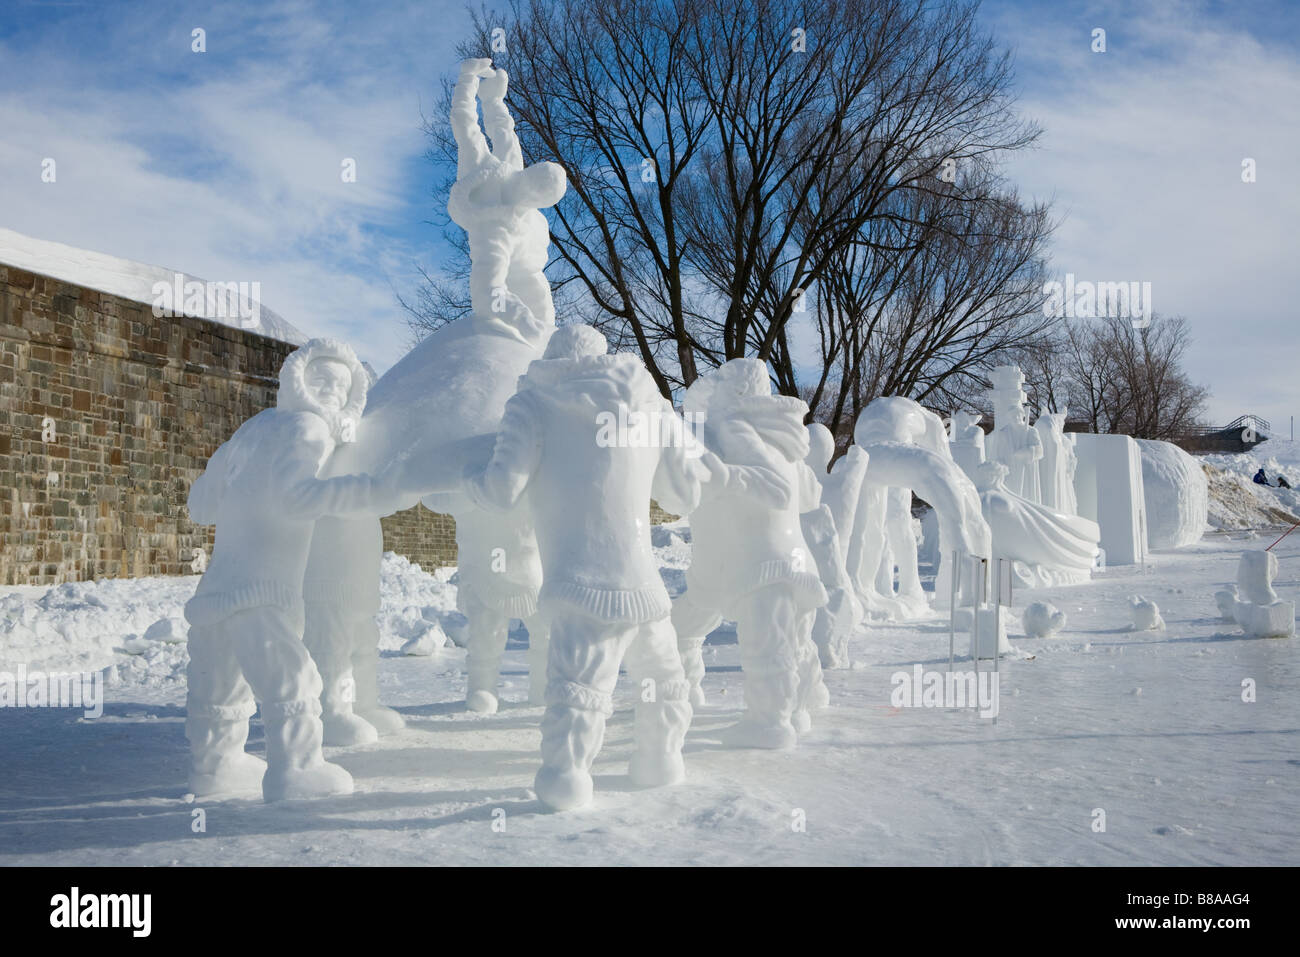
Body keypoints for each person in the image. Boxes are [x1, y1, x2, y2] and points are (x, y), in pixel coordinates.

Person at [464, 325, 711, 811]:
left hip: (582, 583)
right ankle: (659, 765)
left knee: (578, 693)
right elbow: (684, 496)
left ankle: (565, 784)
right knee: (662, 683)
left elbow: (500, 491)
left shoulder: (532, 404)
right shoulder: (652, 403)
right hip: (643, 583)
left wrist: (464, 476)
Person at [184, 339, 424, 802]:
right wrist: (373, 488)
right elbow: (299, 498)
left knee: (220, 682)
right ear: (300, 382)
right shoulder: (308, 429)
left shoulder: (251, 430)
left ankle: (214, 767)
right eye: (323, 382)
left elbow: (201, 503)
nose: (332, 392)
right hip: (264, 586)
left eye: (341, 385)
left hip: (216, 586)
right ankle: (296, 769)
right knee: (289, 677)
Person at [671, 359, 830, 749]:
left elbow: (777, 490)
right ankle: (801, 707)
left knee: (767, 647)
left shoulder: (733, 426)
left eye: (721, 385)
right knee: (791, 641)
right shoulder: (786, 439)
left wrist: (725, 476)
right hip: (787, 559)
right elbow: (810, 496)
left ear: (736, 391)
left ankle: (769, 724)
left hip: (754, 562)